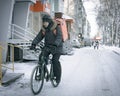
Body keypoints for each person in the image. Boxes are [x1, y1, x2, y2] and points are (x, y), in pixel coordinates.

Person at [30, 14, 63, 84]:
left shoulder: (56, 28)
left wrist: (55, 44)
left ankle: (57, 77)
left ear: (49, 22)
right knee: (41, 57)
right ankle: (42, 73)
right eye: (43, 22)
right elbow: (39, 37)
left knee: (55, 61)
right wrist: (33, 44)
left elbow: (59, 37)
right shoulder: (44, 29)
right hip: (48, 46)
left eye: (45, 22)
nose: (44, 23)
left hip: (57, 47)